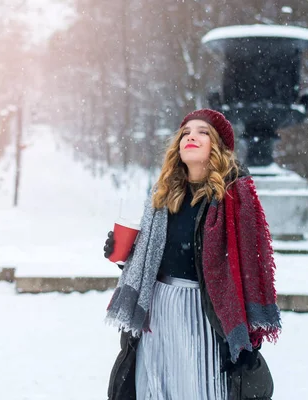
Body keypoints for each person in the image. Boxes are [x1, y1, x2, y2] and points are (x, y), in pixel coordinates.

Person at [103, 109, 281, 400]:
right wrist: (125, 256)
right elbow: (153, 258)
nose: (191, 137)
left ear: (218, 145)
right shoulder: (163, 193)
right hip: (158, 310)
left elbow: (251, 267)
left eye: (202, 132)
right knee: (158, 388)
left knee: (200, 389)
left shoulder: (235, 196)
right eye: (186, 132)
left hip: (205, 313)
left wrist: (249, 339)